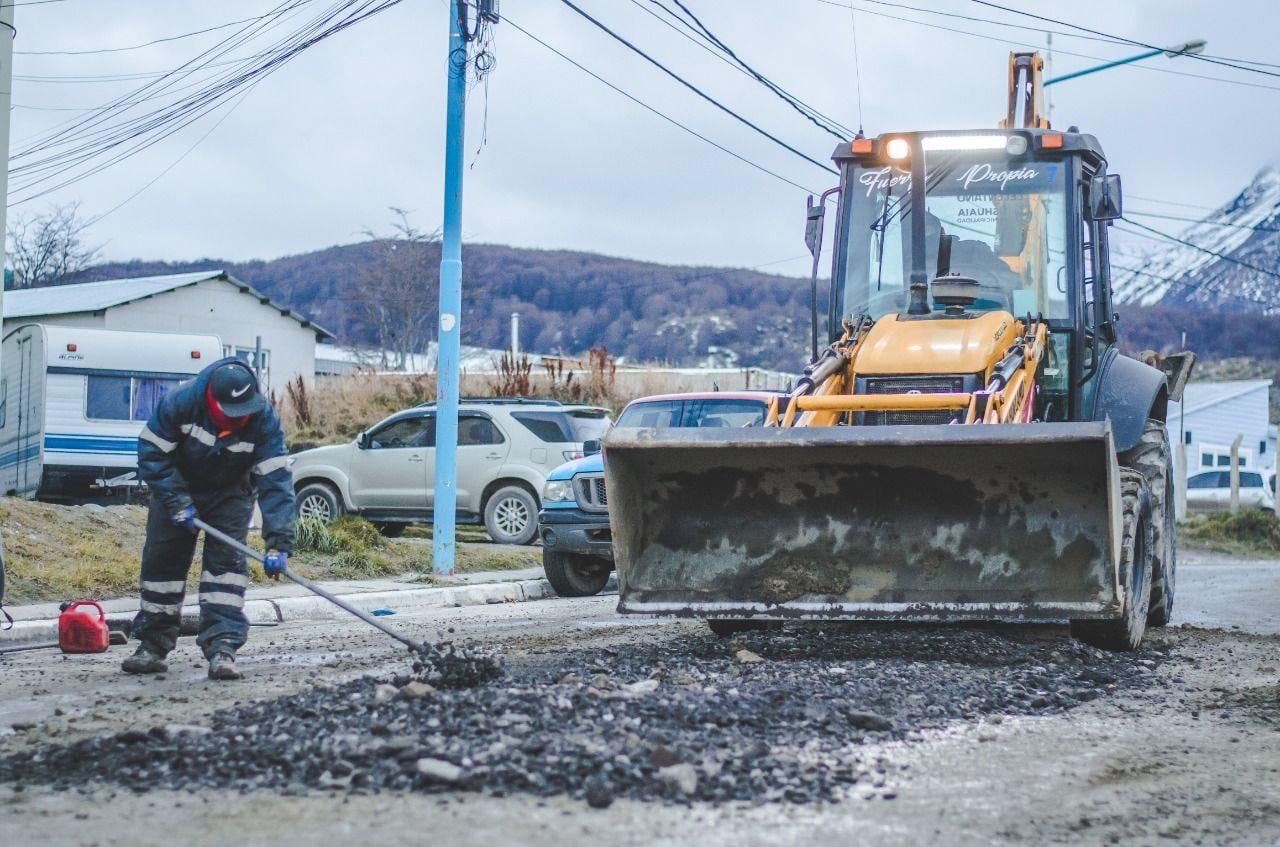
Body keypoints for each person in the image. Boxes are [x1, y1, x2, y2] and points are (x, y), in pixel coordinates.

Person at [121, 358, 294, 681]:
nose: (242, 417)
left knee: (225, 574)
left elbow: (276, 481)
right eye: (234, 411)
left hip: (231, 494)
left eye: (246, 409)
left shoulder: (262, 419)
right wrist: (176, 502)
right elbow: (151, 452)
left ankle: (222, 649)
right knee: (162, 569)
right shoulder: (181, 403)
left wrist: (278, 543)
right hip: (177, 488)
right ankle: (152, 646)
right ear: (214, 404)